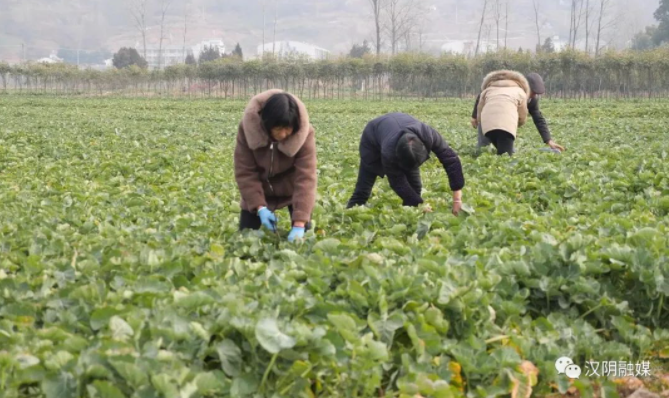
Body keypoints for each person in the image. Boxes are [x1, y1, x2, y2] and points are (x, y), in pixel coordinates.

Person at [234, 89, 317, 242]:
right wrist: (259, 207)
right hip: (259, 189)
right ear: (266, 123)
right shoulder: (248, 129)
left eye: (288, 129)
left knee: (303, 239)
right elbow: (245, 172)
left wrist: (299, 224)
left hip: (292, 191)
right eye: (278, 128)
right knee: (246, 237)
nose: (283, 134)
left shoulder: (305, 134)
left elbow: (306, 178)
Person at [346, 113, 465, 215]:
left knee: (415, 187)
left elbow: (451, 160)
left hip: (398, 128)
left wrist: (457, 199)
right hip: (373, 138)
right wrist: (421, 205)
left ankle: (410, 218)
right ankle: (348, 216)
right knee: (363, 189)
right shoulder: (389, 152)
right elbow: (398, 183)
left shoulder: (429, 135)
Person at [471, 71, 565, 155]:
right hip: (488, 120)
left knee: (505, 153)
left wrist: (549, 140)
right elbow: (481, 97)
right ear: (526, 87)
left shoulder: (531, 99)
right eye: (533, 92)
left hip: (502, 124)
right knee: (483, 151)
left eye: (536, 94)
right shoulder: (504, 87)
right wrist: (474, 116)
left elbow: (538, 118)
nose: (533, 95)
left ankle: (551, 151)